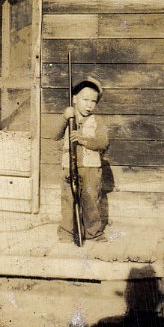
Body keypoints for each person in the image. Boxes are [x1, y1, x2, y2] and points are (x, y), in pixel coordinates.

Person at [50, 76, 109, 243]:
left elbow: (103, 142)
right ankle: (67, 234)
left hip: (90, 168)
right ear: (75, 99)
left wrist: (82, 139)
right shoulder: (68, 117)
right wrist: (64, 117)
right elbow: (54, 135)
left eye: (93, 101)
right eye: (85, 100)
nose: (89, 105)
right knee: (68, 201)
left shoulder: (97, 120)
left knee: (91, 201)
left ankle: (94, 234)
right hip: (68, 167)